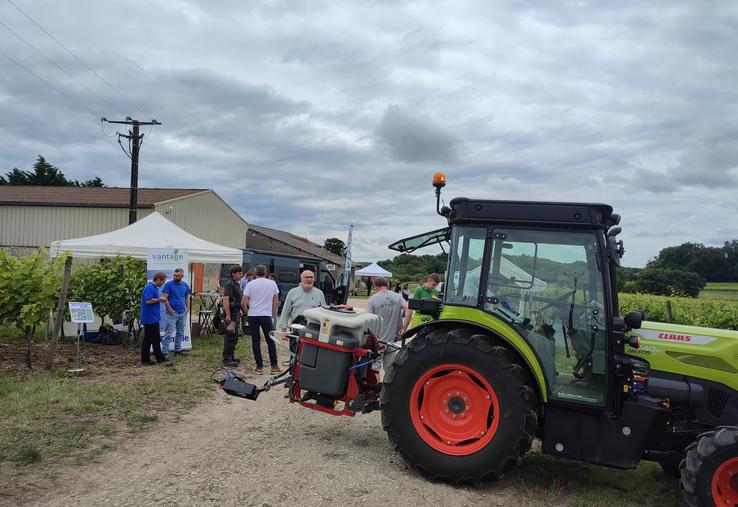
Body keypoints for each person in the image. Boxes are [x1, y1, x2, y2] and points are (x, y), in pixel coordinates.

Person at [279, 269, 326, 355]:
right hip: (296, 328)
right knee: (294, 354)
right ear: (301, 279)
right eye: (306, 277)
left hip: (313, 329)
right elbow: (286, 311)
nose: (309, 279)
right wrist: (283, 329)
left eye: (311, 277)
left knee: (310, 355)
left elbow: (324, 314)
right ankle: (293, 367)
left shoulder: (319, 294)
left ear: (314, 279)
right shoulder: (292, 292)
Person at [244, 264, 281, 374]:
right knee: (270, 340)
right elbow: (276, 301)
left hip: (253, 315)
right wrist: (272, 312)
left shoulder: (250, 284)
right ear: (265, 273)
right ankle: (274, 366)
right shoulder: (272, 283)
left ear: (255, 273)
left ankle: (259, 367)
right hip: (266, 315)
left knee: (256, 341)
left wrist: (248, 312)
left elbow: (243, 302)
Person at [368, 277, 410, 370]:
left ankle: (377, 384)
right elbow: (409, 310)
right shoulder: (397, 296)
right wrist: (404, 329)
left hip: (377, 342)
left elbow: (370, 321)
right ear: (387, 285)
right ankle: (386, 385)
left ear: (375, 287)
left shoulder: (372, 299)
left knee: (375, 369)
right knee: (389, 369)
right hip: (391, 341)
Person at [140, 272, 173, 367]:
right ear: (158, 279)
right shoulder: (149, 288)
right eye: (163, 281)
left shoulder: (153, 288)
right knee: (155, 339)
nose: (163, 284)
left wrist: (159, 299)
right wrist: (160, 299)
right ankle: (160, 359)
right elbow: (148, 300)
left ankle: (145, 360)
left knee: (148, 339)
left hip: (152, 317)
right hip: (150, 318)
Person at [161, 268, 192, 356]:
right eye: (174, 275)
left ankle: (177, 350)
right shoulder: (168, 285)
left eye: (177, 276)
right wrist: (169, 309)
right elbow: (164, 298)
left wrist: (187, 308)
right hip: (171, 314)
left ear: (182, 276)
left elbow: (187, 298)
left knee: (180, 332)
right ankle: (164, 352)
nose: (175, 277)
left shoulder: (185, 285)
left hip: (182, 313)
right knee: (168, 333)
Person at [222, 265, 246, 367]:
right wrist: (228, 314)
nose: (241, 275)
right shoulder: (229, 284)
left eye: (241, 273)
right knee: (230, 336)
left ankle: (231, 356)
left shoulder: (237, 284)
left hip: (236, 313)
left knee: (235, 337)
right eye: (239, 273)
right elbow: (226, 299)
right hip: (231, 314)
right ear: (233, 274)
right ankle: (226, 359)